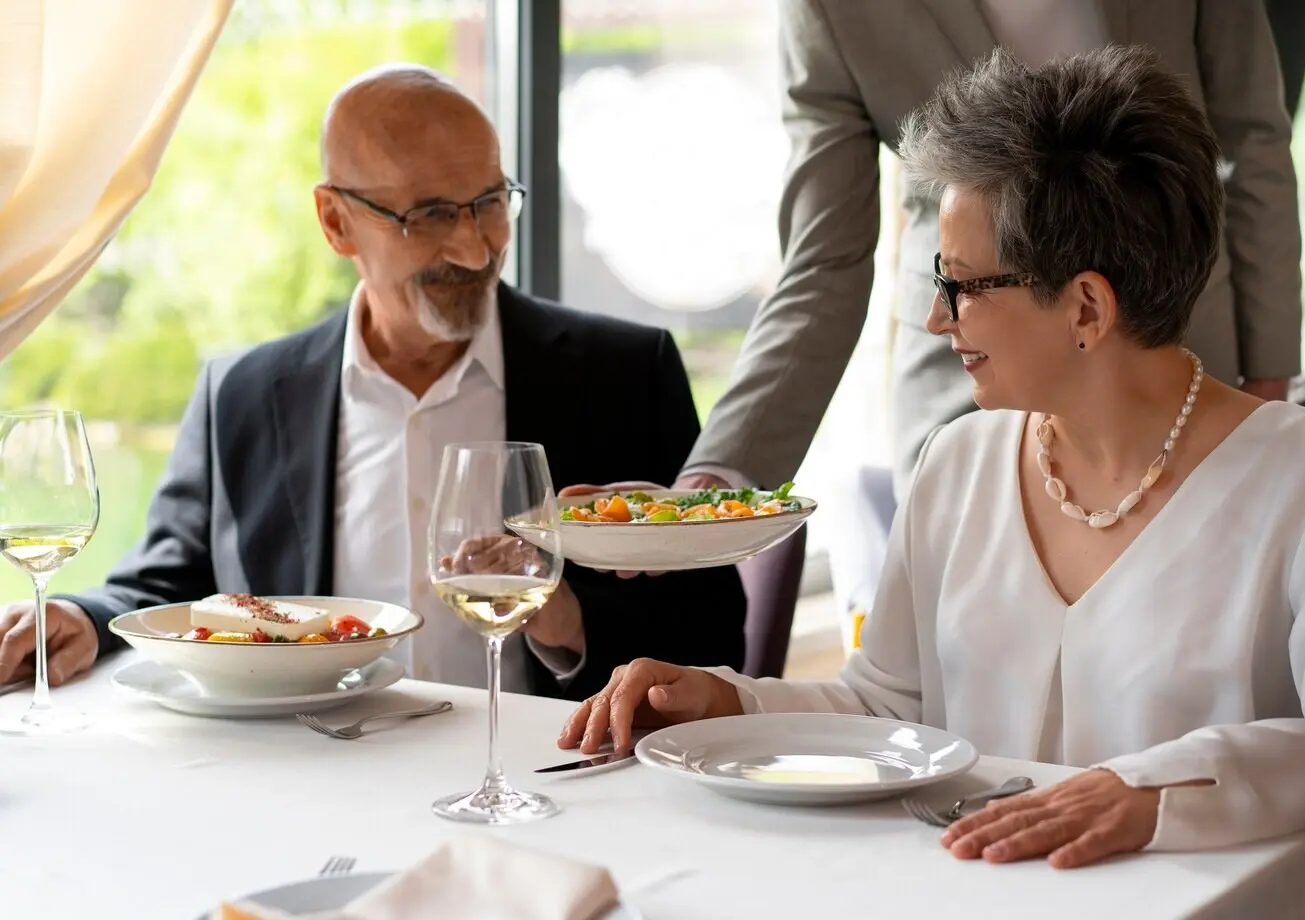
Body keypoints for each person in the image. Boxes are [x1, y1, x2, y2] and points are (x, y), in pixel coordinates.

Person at [558, 47, 1305, 868]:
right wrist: (724, 704)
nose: (935, 320)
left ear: (1086, 306)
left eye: (959, 286)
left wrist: (1155, 793)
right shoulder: (957, 461)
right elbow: (890, 705)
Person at [0, 65, 746, 700]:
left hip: (551, 789)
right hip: (307, 782)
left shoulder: (628, 374)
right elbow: (170, 588)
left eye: (490, 202)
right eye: (429, 215)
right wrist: (81, 616)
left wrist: (564, 617)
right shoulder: (243, 394)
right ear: (335, 223)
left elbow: (717, 634)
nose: (475, 244)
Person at [678, 0, 1302, 503]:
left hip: (1180, 354)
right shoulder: (827, 10)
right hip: (964, 377)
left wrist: (1267, 377)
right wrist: (719, 474)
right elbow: (823, 259)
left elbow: (1254, 144)